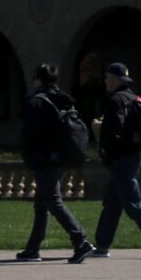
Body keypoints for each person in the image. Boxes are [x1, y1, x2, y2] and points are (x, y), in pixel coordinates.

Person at [90, 62, 141, 259]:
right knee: (112, 203)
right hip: (131, 157)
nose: (105, 82)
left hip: (120, 160)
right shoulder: (134, 98)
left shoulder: (116, 101)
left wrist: (107, 151)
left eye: (107, 78)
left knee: (133, 203)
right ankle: (102, 245)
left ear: (115, 79)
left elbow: (115, 130)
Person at [16, 63, 92, 262]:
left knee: (53, 201)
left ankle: (80, 240)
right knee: (42, 202)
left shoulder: (36, 102)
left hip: (44, 159)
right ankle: (33, 247)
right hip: (63, 156)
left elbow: (29, 135)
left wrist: (27, 157)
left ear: (38, 79)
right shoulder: (63, 99)